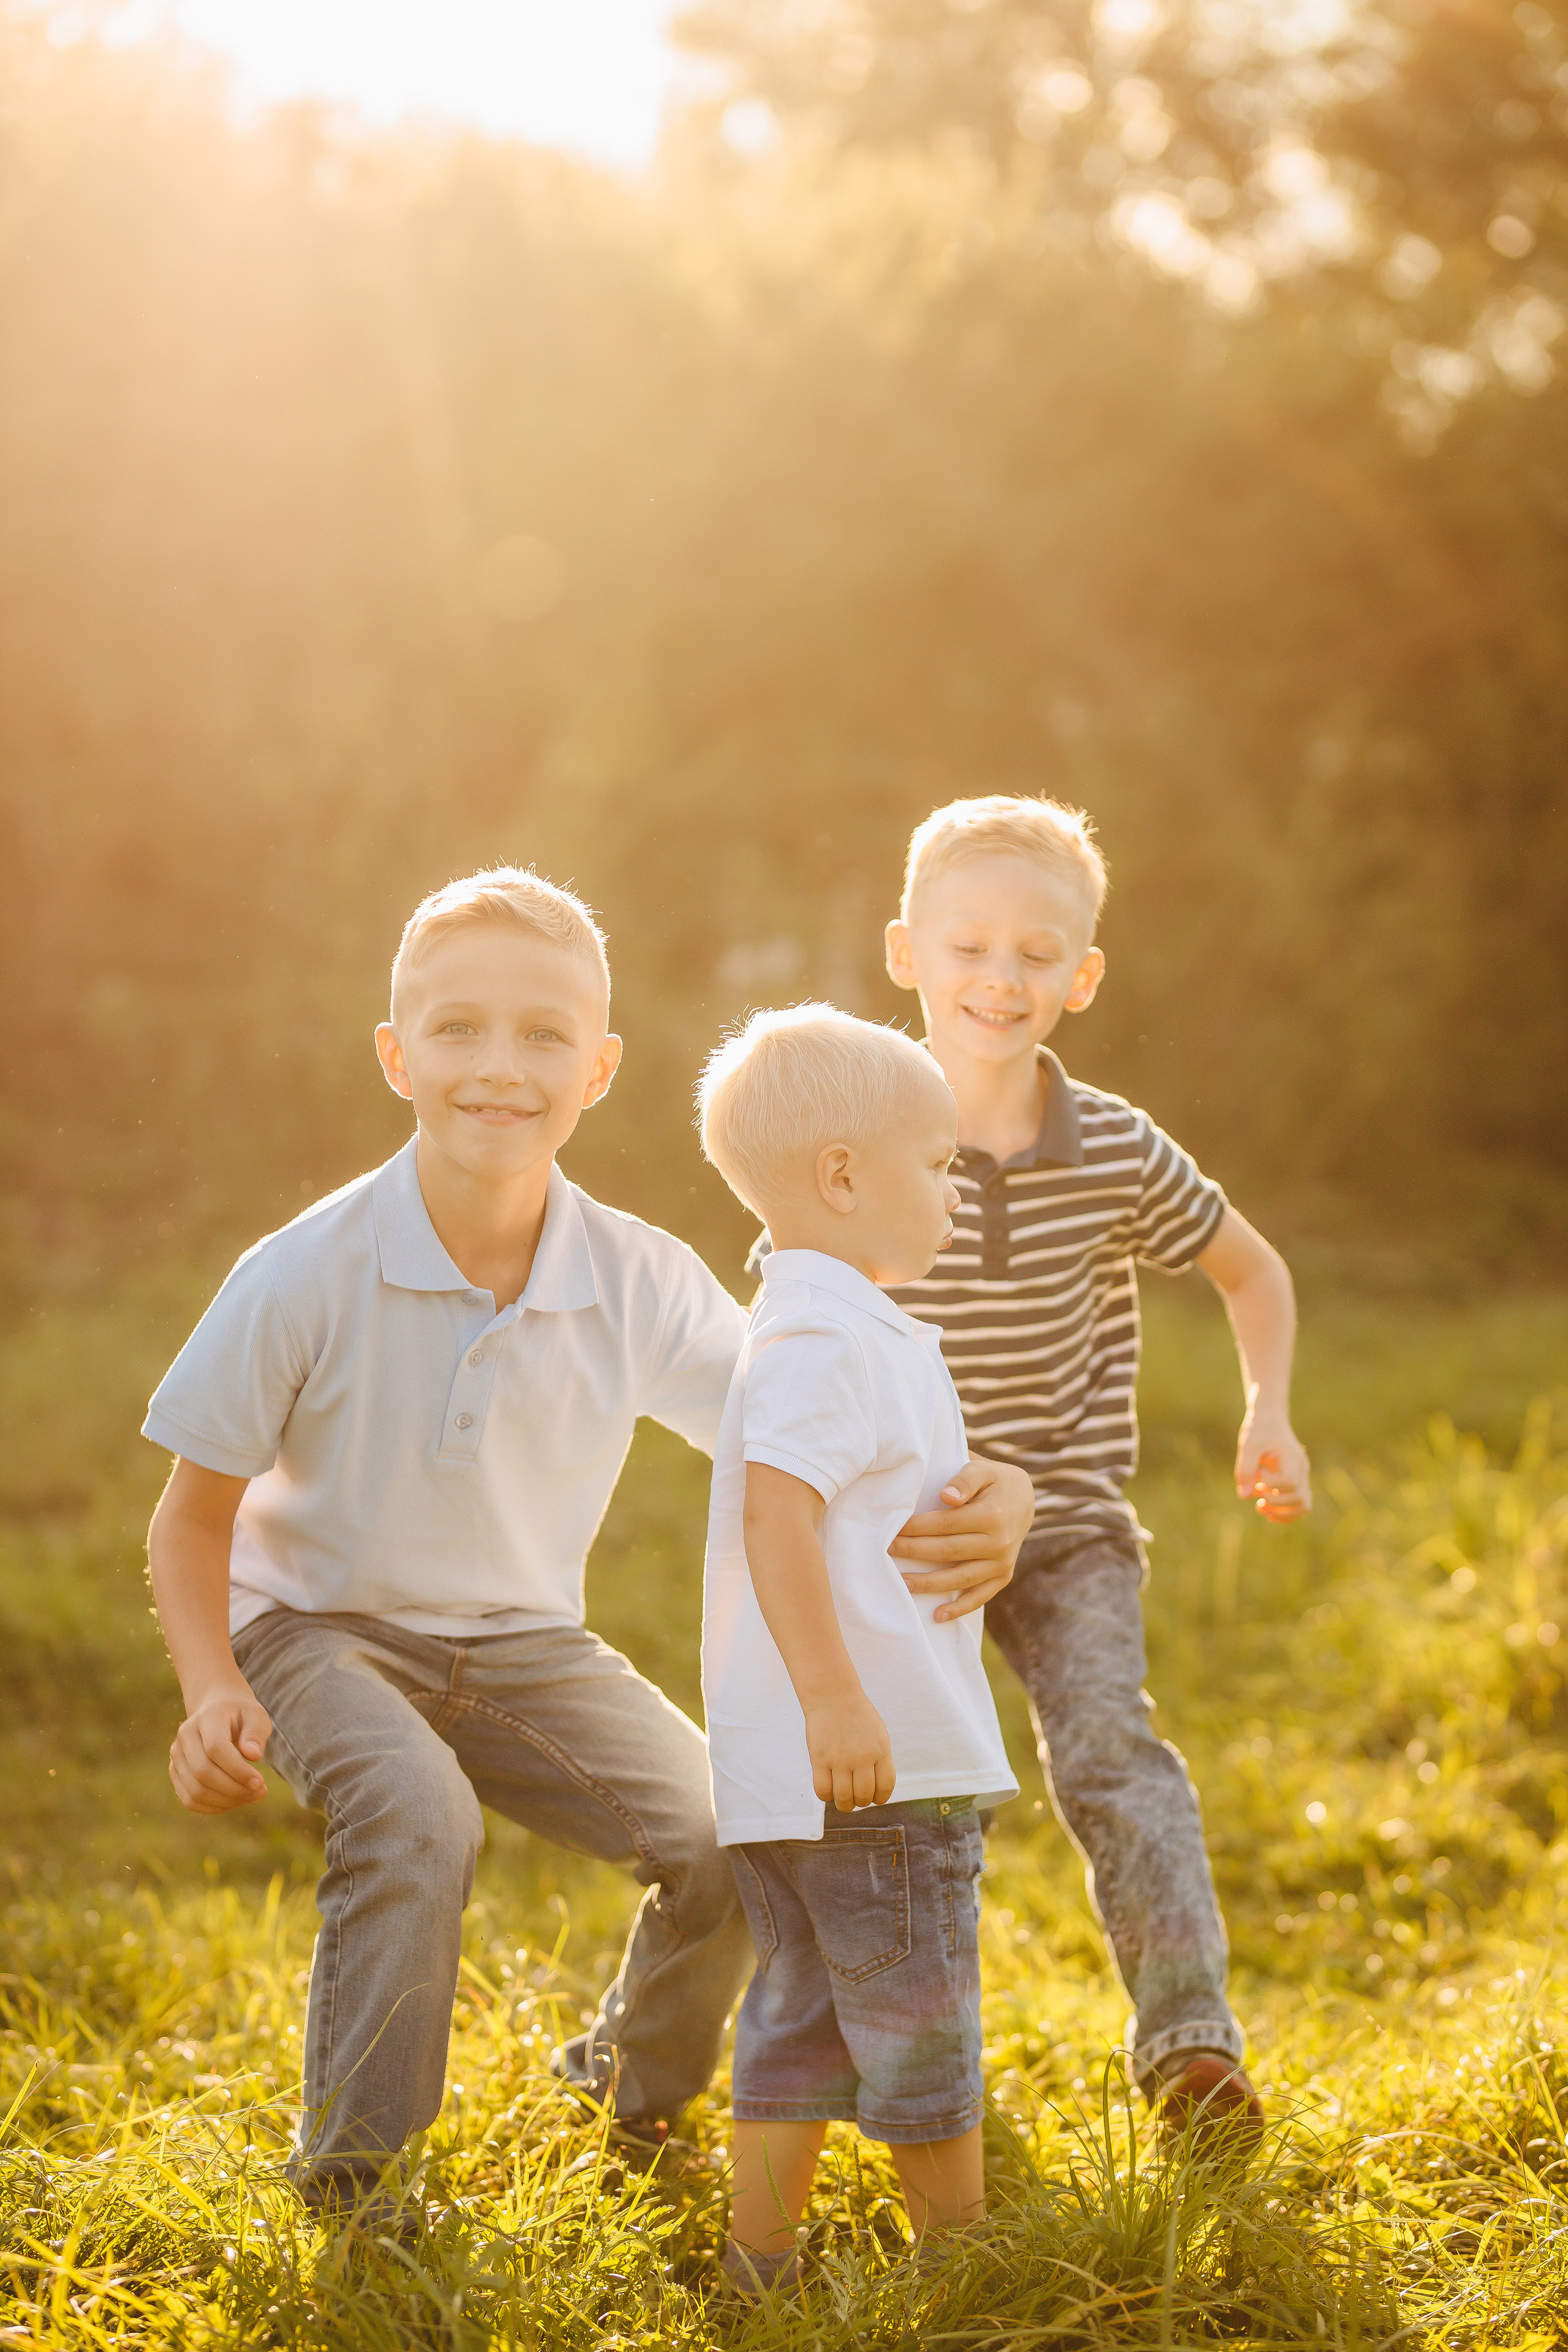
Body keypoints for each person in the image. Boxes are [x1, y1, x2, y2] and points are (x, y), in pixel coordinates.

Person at [141, 866, 1035, 2218]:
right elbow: (191, 1516)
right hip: (313, 1628)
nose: (499, 1068)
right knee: (414, 1811)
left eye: (544, 1036)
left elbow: (827, 1426)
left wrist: (1000, 1486)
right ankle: (356, 2185)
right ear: (397, 1054)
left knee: (723, 1837)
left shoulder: (638, 1279)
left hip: (518, 1645)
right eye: (457, 1030)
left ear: (600, 1068)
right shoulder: (302, 1272)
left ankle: (623, 2092)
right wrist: (214, 1685)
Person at [880, 795, 1313, 2139]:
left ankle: (1188, 2042)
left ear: (1081, 977)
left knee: (1111, 1754)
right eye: (966, 948)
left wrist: (1268, 1412)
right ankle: (886, 2074)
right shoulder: (859, 1125)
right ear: (905, 953)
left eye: (1031, 953)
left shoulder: (1115, 1145)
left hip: (1063, 1522)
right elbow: (786, 1314)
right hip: (900, 1531)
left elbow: (1250, 1268)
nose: (995, 980)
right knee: (871, 1790)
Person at [698, 1005, 1020, 2298]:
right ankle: (964, 2268)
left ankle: (757, 2265)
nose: (953, 1192)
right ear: (840, 1176)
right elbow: (778, 1512)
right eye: (935, 1164)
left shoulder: (833, 1323)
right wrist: (836, 1699)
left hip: (808, 1777)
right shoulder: (827, 1337)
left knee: (800, 2020)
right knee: (921, 2025)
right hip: (874, 1767)